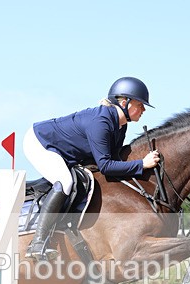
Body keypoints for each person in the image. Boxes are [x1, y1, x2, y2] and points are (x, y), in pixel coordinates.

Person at [22, 76, 161, 261]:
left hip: (66, 150)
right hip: (40, 142)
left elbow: (112, 157)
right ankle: (37, 243)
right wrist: (142, 164)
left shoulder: (120, 125)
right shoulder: (102, 122)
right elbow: (106, 165)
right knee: (65, 181)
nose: (143, 109)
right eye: (140, 104)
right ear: (125, 102)